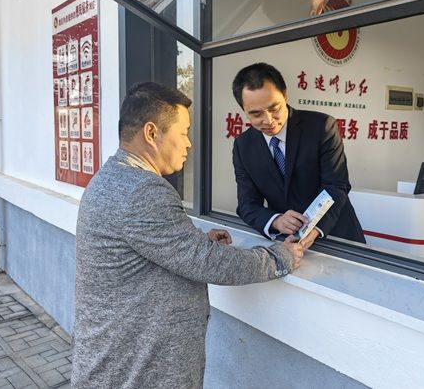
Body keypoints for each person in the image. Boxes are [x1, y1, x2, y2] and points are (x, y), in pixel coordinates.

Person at [71, 82, 306, 389]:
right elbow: (211, 264)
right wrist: (280, 257)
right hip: (138, 372)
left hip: (116, 360)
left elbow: (152, 246)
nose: (189, 143)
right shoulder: (143, 190)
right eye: (183, 132)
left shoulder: (113, 176)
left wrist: (197, 242)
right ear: (151, 133)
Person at [232, 62, 366, 248]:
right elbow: (247, 204)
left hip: (334, 235)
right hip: (286, 242)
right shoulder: (243, 146)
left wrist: (314, 228)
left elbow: (336, 185)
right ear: (244, 110)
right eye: (256, 114)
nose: (268, 120)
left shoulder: (321, 127)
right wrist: (276, 220)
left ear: (285, 95)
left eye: (274, 108)